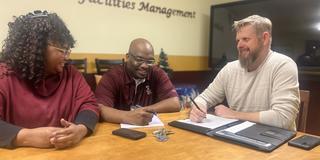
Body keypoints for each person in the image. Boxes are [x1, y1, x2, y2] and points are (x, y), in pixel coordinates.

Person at [0, 11, 99, 149]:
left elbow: (89, 104)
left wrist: (80, 129)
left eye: (67, 50)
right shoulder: (4, 76)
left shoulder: (71, 74)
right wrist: (25, 137)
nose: (66, 57)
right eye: (62, 50)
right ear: (37, 48)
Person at [190, 15, 300, 131]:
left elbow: (283, 118)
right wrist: (198, 107)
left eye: (246, 39)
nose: (239, 45)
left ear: (265, 38)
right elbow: (203, 98)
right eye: (238, 40)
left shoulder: (283, 65)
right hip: (237, 137)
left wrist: (234, 114)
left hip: (275, 142)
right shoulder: (229, 69)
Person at [95, 38, 180, 125]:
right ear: (127, 57)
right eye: (139, 59)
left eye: (150, 61)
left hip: (149, 130)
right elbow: (100, 108)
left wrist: (144, 111)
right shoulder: (112, 76)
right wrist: (128, 116)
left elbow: (175, 103)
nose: (145, 66)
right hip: (116, 130)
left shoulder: (157, 73)